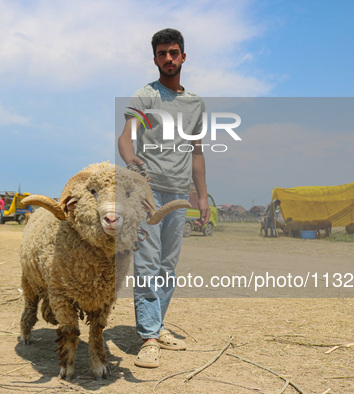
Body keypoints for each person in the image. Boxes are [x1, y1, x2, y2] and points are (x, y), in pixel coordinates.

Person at [118, 28, 210, 368]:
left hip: (179, 195)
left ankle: (155, 326)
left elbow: (197, 153)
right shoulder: (145, 97)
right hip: (148, 192)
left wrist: (202, 197)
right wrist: (131, 162)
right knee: (147, 263)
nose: (168, 59)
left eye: (173, 53)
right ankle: (149, 338)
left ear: (183, 57)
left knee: (168, 266)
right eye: (161, 53)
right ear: (155, 58)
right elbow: (126, 138)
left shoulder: (195, 104)